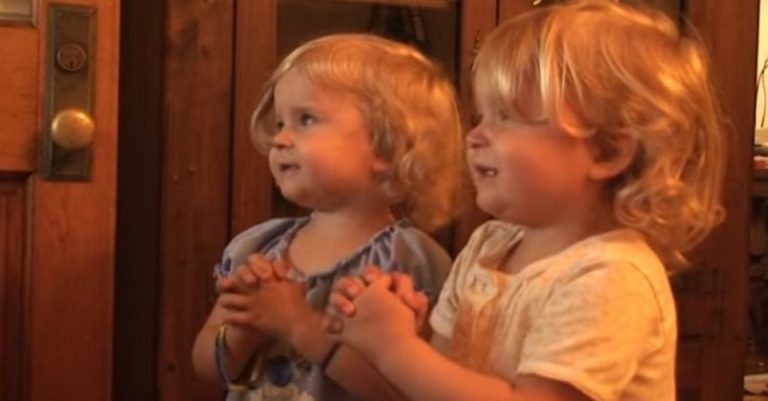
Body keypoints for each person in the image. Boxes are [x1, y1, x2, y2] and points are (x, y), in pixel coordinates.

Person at [326, 1, 727, 401]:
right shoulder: (490, 245)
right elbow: (442, 378)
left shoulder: (611, 275)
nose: (475, 135)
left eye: (505, 116)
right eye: (481, 115)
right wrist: (404, 328)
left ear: (606, 151)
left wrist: (395, 347)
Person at [190, 33, 464, 401]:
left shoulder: (411, 262)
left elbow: (409, 392)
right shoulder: (258, 249)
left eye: (305, 119)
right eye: (279, 124)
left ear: (387, 144)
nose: (281, 139)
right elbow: (207, 367)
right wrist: (246, 331)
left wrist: (298, 324)